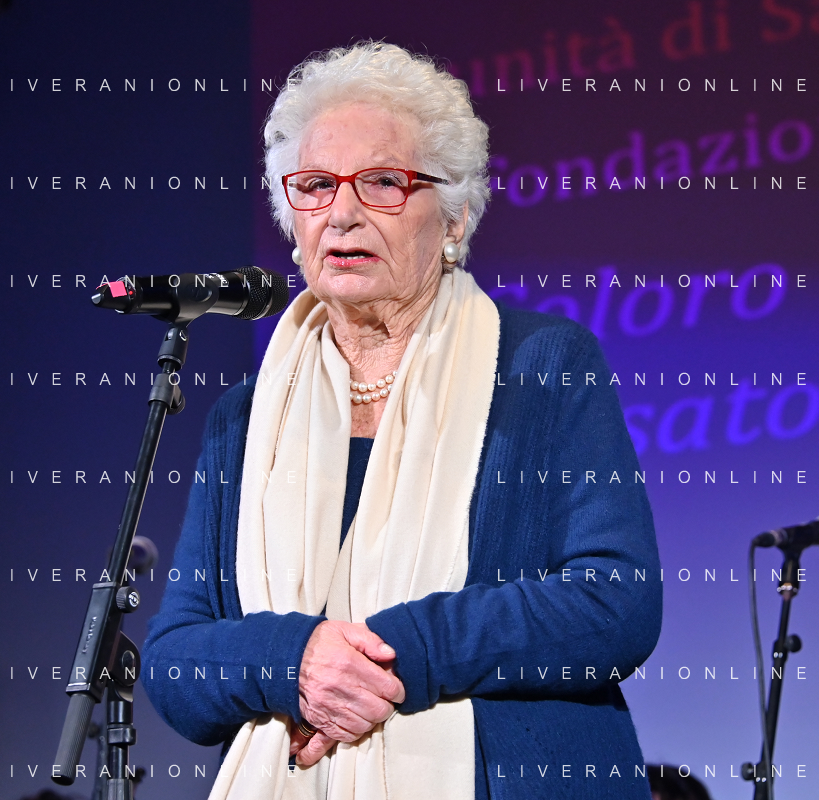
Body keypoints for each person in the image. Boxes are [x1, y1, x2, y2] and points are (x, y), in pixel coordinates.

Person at [141, 41, 662, 800]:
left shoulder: (543, 367)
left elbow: (615, 601)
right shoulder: (244, 418)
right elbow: (175, 662)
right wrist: (292, 662)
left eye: (383, 182)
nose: (342, 212)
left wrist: (394, 653)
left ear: (454, 219)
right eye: (315, 186)